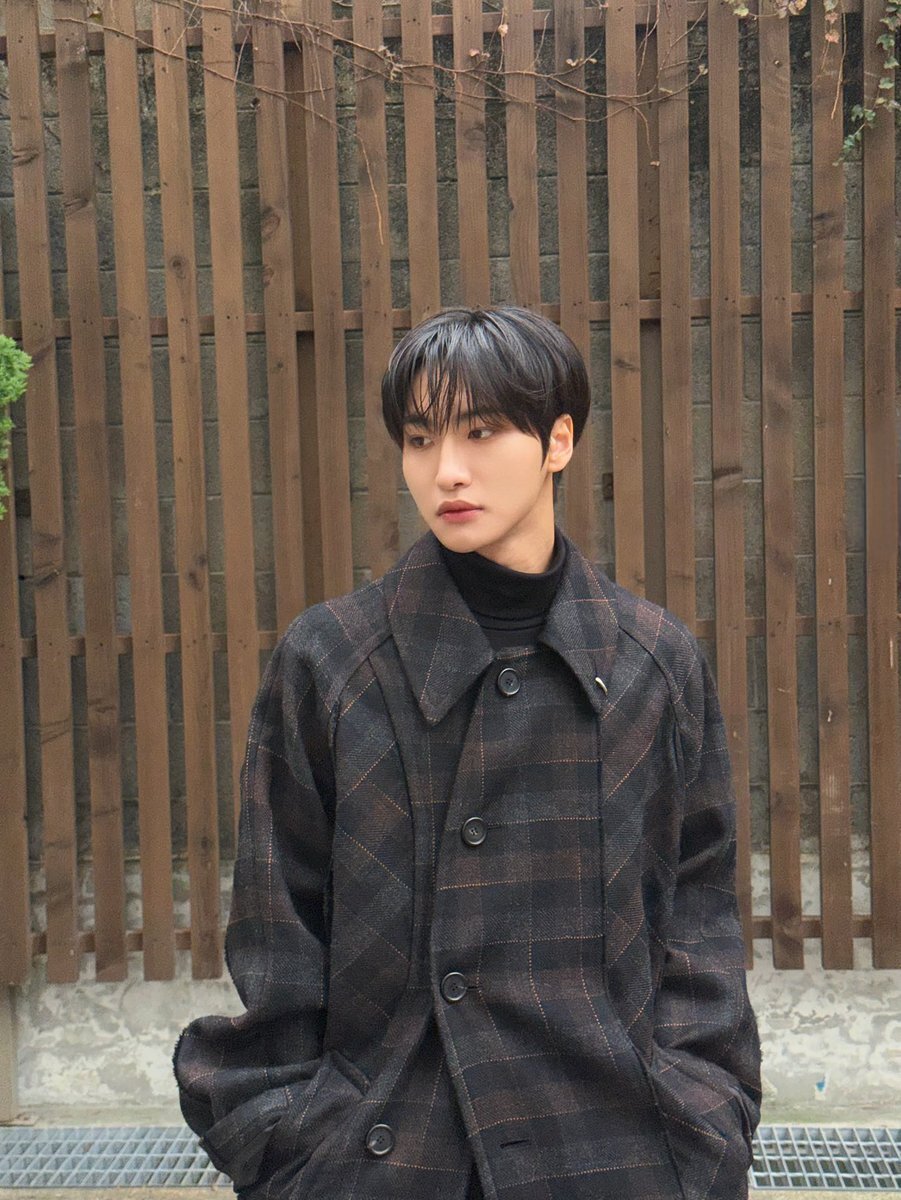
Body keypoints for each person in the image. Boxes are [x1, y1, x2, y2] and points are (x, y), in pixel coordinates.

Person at [174, 305, 762, 1200]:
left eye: (480, 432)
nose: (445, 470)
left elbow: (699, 911)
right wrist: (290, 1139)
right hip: (388, 1151)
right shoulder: (331, 662)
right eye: (419, 439)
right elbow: (276, 929)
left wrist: (703, 1110)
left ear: (557, 441)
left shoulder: (652, 662)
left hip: (616, 1147)